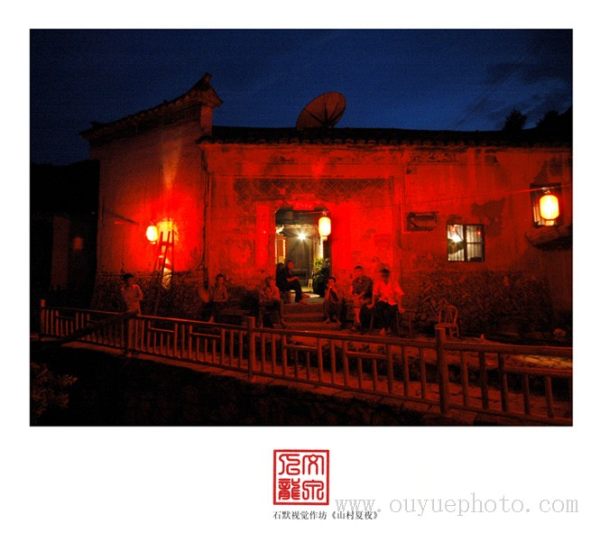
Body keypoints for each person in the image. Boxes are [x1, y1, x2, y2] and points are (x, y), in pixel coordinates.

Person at [370, 268, 404, 335]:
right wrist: (372, 304)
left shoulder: (394, 283)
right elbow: (374, 294)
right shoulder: (378, 282)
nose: (384, 278)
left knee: (390, 312)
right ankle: (384, 327)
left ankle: (388, 328)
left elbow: (400, 294)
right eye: (382, 276)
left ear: (388, 276)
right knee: (378, 308)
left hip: (392, 301)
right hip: (383, 300)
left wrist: (400, 307)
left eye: (385, 276)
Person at [350, 265, 373, 330]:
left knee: (357, 303)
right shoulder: (355, 281)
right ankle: (358, 322)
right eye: (356, 272)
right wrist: (356, 296)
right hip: (358, 298)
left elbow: (365, 291)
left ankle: (356, 323)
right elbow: (354, 291)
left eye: (359, 271)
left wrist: (358, 297)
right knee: (357, 303)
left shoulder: (368, 280)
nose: (358, 273)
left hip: (368, 298)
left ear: (362, 272)